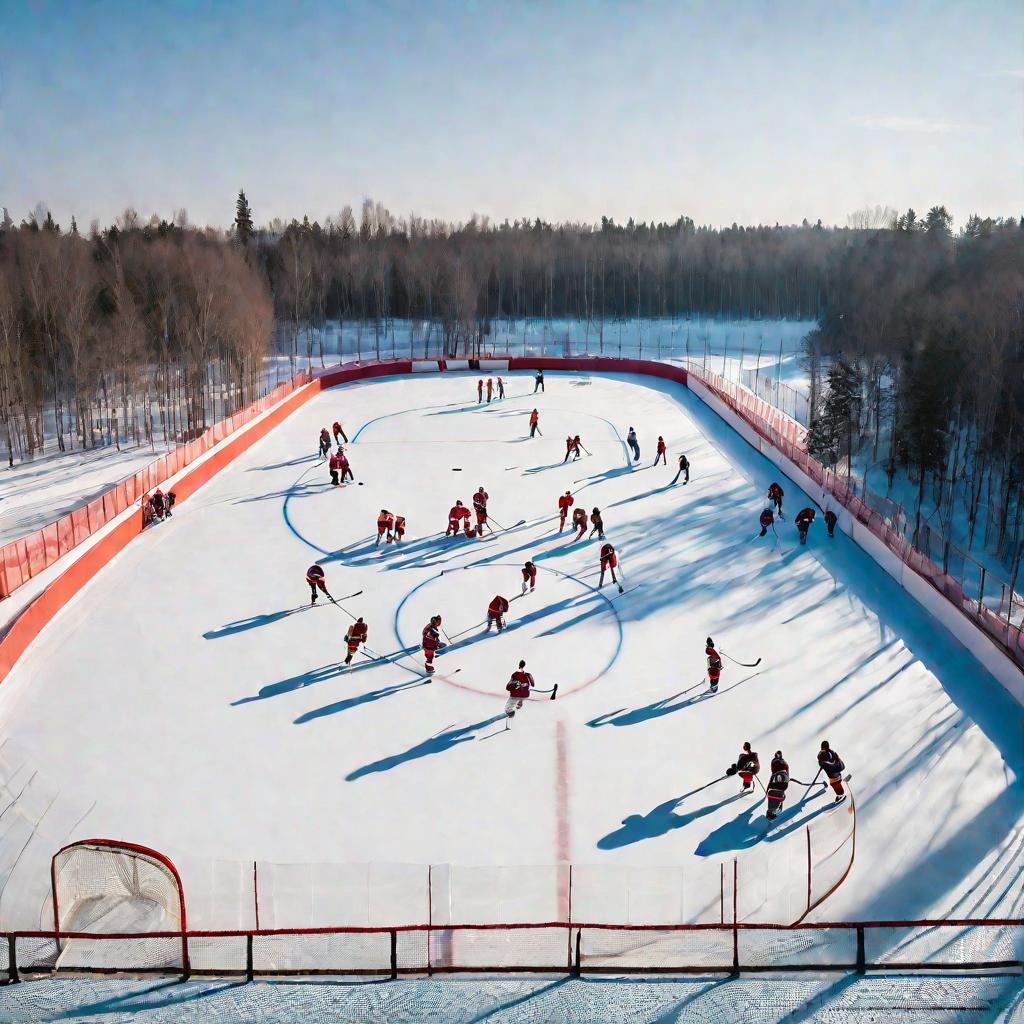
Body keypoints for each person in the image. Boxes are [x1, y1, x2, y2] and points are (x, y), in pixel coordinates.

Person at [766, 752, 790, 821]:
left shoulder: (774, 762)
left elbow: (773, 775)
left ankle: (771, 813)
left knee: (773, 792)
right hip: (784, 783)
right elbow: (787, 774)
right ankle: (777, 810)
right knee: (780, 792)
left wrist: (768, 788)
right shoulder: (784, 763)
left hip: (778, 783)